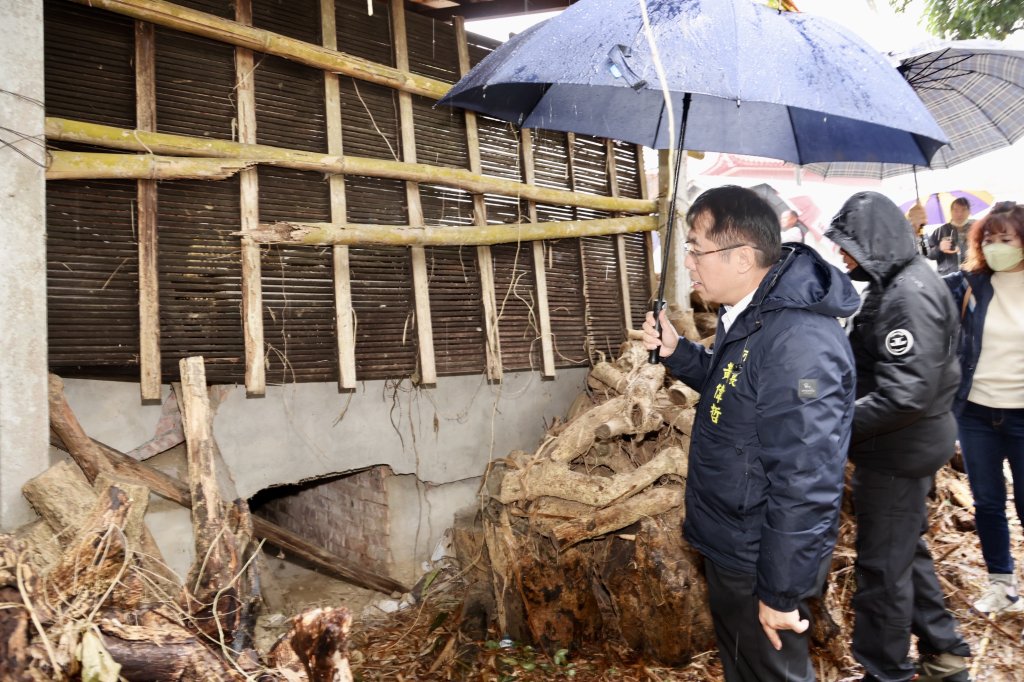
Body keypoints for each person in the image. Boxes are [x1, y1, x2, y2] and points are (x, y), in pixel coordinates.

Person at [642, 185, 858, 682]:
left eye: (696, 248)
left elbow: (806, 480)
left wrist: (780, 592)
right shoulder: (754, 315)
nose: (689, 262)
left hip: (760, 555)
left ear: (741, 257)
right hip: (733, 542)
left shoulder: (798, 340)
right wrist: (679, 353)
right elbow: (735, 390)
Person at [825, 192, 972, 682]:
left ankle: (884, 670)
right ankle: (945, 653)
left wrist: (834, 424)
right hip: (906, 444)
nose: (843, 256)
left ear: (875, 241)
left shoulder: (907, 295)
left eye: (849, 245)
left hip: (896, 452)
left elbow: (904, 393)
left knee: (882, 570)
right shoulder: (901, 283)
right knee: (904, 552)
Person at [943, 201, 1024, 616]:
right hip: (975, 414)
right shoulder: (970, 284)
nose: (995, 247)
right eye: (988, 239)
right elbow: (925, 288)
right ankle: (1002, 586)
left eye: (1005, 239)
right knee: (988, 502)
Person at [927, 197, 974, 275]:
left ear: (969, 211)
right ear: (951, 212)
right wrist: (939, 248)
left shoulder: (975, 230)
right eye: (956, 210)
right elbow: (928, 254)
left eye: (963, 210)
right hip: (948, 277)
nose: (959, 214)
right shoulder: (940, 231)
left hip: (971, 275)